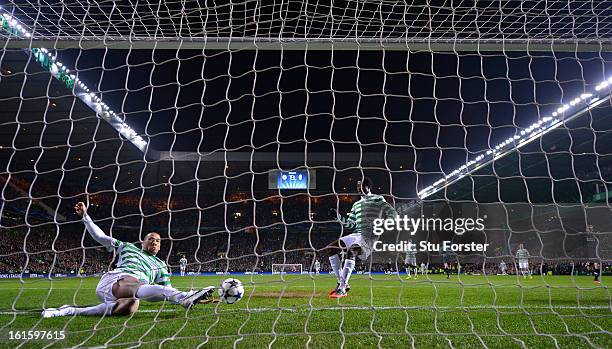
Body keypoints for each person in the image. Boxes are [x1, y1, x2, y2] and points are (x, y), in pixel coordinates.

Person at [42, 202, 214, 318]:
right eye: (151, 239)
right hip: (115, 281)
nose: (154, 242)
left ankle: (69, 310)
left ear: (160, 246)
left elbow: (161, 293)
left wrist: (193, 297)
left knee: (130, 307)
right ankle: (184, 297)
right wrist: (85, 216)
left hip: (130, 292)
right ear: (143, 242)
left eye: (158, 241)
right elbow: (100, 237)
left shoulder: (161, 266)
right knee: (134, 282)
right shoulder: (127, 247)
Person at [327, 177, 397, 298]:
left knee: (351, 251)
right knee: (331, 248)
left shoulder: (378, 199)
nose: (359, 188)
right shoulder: (356, 204)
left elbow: (393, 214)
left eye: (361, 186)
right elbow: (351, 224)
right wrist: (337, 217)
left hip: (368, 236)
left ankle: (342, 289)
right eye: (357, 186)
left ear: (368, 187)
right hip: (356, 235)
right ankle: (342, 283)